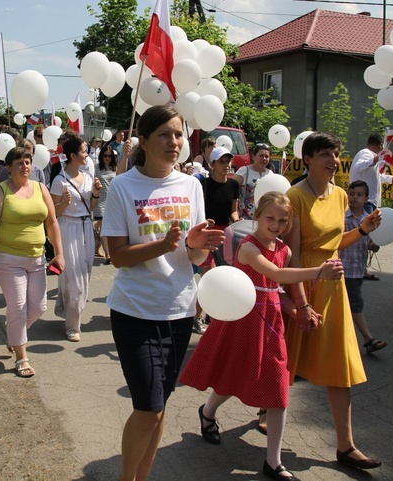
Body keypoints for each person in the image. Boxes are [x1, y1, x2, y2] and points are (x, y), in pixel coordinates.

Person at [180, 192, 344, 481]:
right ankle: (207, 412)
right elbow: (276, 276)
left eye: (283, 220)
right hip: (244, 321)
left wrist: (297, 311)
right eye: (270, 217)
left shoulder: (283, 249)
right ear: (257, 216)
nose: (277, 224)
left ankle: (273, 462)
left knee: (280, 391)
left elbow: (276, 291)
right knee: (232, 377)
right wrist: (320, 271)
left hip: (272, 324)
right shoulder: (248, 247)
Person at [101, 105, 225, 481]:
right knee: (148, 408)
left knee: (160, 404)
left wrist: (198, 245)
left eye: (179, 134)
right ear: (145, 140)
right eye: (165, 135)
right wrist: (163, 244)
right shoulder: (124, 186)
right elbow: (117, 256)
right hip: (135, 311)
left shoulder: (190, 185)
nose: (175, 142)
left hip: (180, 310)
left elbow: (196, 254)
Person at [284, 131, 382, 471]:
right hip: (305, 283)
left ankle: (346, 446)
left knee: (340, 367)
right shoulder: (294, 196)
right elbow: (292, 253)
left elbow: (335, 241)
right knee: (286, 363)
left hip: (334, 285)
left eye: (336, 154)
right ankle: (261, 409)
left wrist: (364, 229)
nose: (333, 160)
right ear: (308, 159)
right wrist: (300, 302)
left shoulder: (341, 195)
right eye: (326, 154)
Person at [0, 146, 64, 377]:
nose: (25, 166)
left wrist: (59, 252)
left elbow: (52, 222)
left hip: (37, 258)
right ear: (8, 167)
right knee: (17, 308)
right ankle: (21, 357)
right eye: (19, 163)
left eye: (28, 162)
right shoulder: (1, 191)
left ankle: (15, 333)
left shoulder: (40, 188)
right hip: (8, 259)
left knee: (38, 308)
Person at [50, 136, 102, 342]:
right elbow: (52, 213)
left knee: (85, 273)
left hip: (85, 227)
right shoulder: (59, 180)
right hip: (67, 227)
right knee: (73, 277)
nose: (86, 155)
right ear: (72, 155)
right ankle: (73, 326)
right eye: (83, 151)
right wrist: (63, 203)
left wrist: (96, 194)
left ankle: (68, 310)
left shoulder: (89, 177)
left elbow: (91, 207)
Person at [191, 146, 240, 335]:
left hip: (226, 235)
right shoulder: (202, 184)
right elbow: (195, 209)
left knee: (223, 278)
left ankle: (215, 315)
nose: (226, 165)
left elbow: (233, 210)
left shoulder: (234, 184)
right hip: (206, 234)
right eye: (222, 161)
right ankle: (197, 317)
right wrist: (204, 222)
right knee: (210, 278)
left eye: (228, 161)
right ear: (212, 164)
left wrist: (237, 222)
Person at [339, 180, 387, 354]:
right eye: (351, 194)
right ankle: (369, 339)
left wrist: (373, 245)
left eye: (359, 195)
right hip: (345, 268)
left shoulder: (368, 218)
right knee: (356, 304)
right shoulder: (343, 216)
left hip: (359, 269)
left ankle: (341, 339)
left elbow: (367, 242)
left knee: (347, 306)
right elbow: (340, 239)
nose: (354, 198)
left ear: (366, 198)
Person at [348, 133, 393, 281]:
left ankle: (362, 268)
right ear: (379, 145)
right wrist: (375, 159)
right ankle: (360, 269)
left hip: (370, 202)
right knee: (364, 235)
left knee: (366, 235)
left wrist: (390, 179)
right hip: (366, 202)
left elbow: (376, 176)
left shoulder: (370, 157)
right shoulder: (366, 154)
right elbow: (359, 166)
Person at [233, 143, 272, 220]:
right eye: (261, 155)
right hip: (244, 218)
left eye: (267, 156)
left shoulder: (270, 174)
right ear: (253, 156)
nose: (264, 158)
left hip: (263, 219)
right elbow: (232, 192)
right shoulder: (244, 171)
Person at [93, 143, 117, 263]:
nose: (107, 158)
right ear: (101, 156)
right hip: (100, 201)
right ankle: (108, 254)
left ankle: (97, 246)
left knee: (102, 227)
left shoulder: (114, 169)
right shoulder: (96, 168)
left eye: (110, 156)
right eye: (105, 156)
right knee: (104, 227)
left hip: (111, 201)